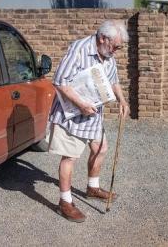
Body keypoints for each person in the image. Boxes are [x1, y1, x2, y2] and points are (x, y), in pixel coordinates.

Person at [48, 20, 130, 223]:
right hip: (73, 114)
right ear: (103, 38)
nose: (117, 51)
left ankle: (92, 188)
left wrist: (122, 99)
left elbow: (113, 80)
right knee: (70, 158)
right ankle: (65, 202)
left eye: (119, 47)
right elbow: (60, 81)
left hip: (93, 114)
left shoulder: (108, 55)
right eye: (116, 46)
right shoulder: (79, 49)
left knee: (100, 148)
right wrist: (81, 104)